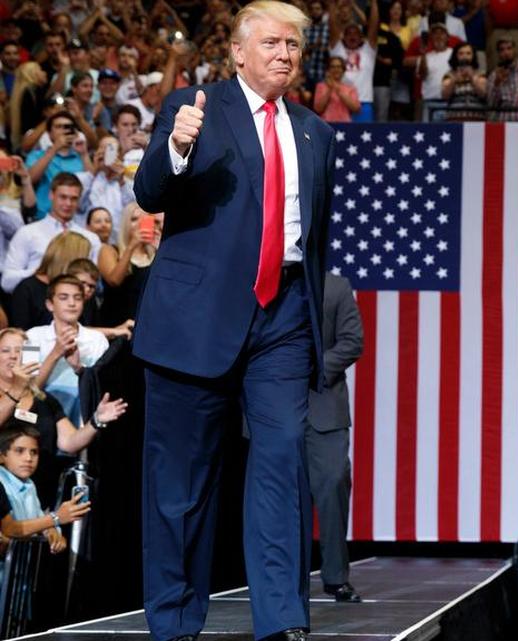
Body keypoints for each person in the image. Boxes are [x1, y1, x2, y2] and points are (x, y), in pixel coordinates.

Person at [131, 1, 335, 639]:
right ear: (239, 53)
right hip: (195, 323)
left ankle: (282, 622)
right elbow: (149, 193)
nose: (284, 54)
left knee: (280, 463)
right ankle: (173, 622)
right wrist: (177, 147)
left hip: (282, 322)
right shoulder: (194, 108)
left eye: (294, 46)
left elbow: (313, 234)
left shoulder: (314, 131)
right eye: (272, 43)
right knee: (181, 486)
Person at [0, 327, 127, 510]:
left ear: (29, 356)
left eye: (20, 350)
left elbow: (69, 442)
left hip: (39, 498)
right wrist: (16, 391)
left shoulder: (44, 400)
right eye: (5, 350)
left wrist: (96, 420)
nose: (13, 356)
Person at [307, 272, 364, 603]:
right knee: (282, 499)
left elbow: (352, 341)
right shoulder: (263, 281)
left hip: (323, 405)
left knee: (333, 482)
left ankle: (335, 576)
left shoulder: (336, 287)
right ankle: (285, 581)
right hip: (273, 408)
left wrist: (310, 368)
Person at [26, 275, 111, 426]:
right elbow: (28, 390)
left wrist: (79, 368)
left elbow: (101, 388)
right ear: (50, 304)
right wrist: (56, 353)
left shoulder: (98, 340)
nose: (72, 303)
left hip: (83, 419)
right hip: (42, 420)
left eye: (77, 298)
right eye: (63, 297)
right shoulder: (31, 337)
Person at [3, 173, 101, 294]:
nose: (68, 204)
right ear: (51, 195)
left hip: (77, 305)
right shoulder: (27, 233)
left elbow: (95, 283)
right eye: (63, 197)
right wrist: (41, 272)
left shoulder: (91, 239)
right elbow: (7, 282)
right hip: (35, 302)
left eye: (74, 198)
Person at [0, 425, 91, 547]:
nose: (28, 458)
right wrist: (56, 517)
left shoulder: (29, 484)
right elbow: (10, 529)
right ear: (2, 456)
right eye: (19, 451)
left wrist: (53, 534)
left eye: (34, 452)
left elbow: (41, 520)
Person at [9, 231, 92, 330]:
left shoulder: (82, 290)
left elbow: (88, 331)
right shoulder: (27, 289)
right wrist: (56, 346)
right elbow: (21, 337)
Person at [26, 112, 94, 218]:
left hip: (77, 219)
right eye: (59, 127)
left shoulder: (81, 155)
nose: (64, 130)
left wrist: (84, 154)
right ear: (49, 133)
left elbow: (93, 185)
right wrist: (54, 149)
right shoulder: (37, 155)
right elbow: (29, 179)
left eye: (68, 127)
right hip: (44, 217)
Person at [440, 42, 486, 120]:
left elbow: (483, 94)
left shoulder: (481, 74)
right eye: (461, 53)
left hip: (476, 117)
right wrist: (454, 80)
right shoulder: (449, 75)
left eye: (468, 53)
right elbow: (445, 96)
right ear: (456, 56)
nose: (465, 56)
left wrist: (472, 78)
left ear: (473, 56)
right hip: (454, 117)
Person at [314, 56, 361, 123]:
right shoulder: (320, 86)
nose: (336, 69)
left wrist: (336, 89)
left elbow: (356, 109)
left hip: (345, 125)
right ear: (328, 69)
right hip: (325, 125)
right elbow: (318, 109)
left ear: (343, 70)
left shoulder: (350, 88)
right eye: (333, 67)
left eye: (339, 67)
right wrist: (329, 90)